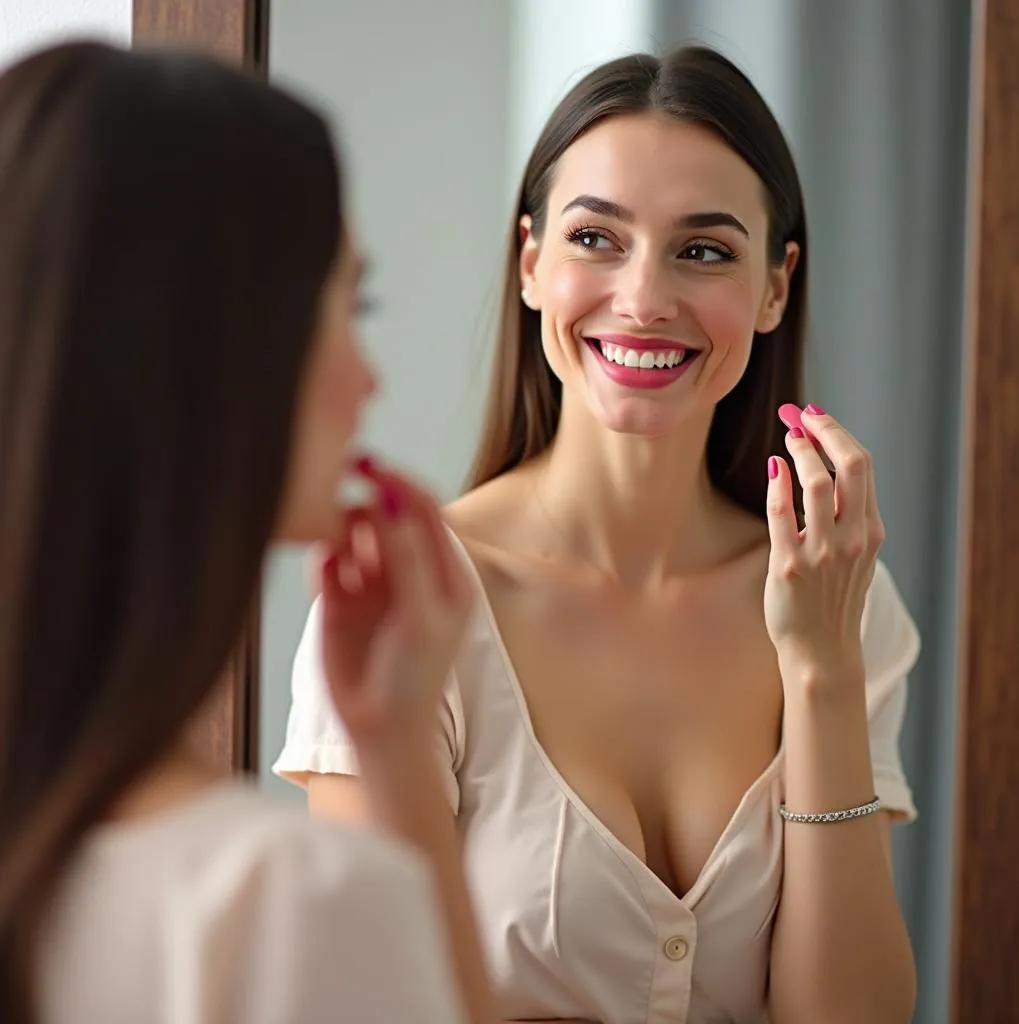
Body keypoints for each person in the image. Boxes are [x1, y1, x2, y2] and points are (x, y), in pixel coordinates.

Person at [277, 46, 919, 1024]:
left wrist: (822, 670)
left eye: (702, 249)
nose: (643, 298)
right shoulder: (406, 601)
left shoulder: (838, 600)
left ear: (775, 286)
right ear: (530, 262)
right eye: (596, 239)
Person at [0, 41, 497, 1024]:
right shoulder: (285, 903)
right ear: (219, 354)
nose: (369, 380)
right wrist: (394, 752)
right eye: (346, 309)